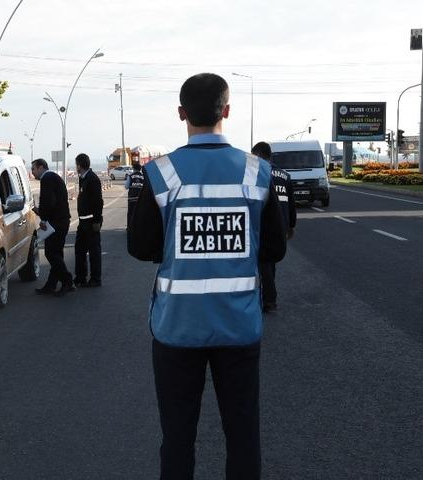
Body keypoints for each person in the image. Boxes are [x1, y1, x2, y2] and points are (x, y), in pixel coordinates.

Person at [128, 73, 287, 479]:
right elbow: (275, 250)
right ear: (227, 112)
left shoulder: (161, 174)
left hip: (177, 330)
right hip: (239, 328)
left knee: (178, 440)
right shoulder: (258, 173)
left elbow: (141, 247)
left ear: (181, 113)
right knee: (243, 437)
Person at [251, 141, 296, 313]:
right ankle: (268, 296)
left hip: (264, 224)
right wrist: (291, 225)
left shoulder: (258, 174)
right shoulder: (285, 175)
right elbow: (292, 203)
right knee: (271, 261)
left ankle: (269, 298)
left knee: (264, 261)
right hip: (282, 225)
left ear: (259, 155)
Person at [30, 158, 74, 297]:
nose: (32, 173)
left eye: (33, 169)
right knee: (57, 253)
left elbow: (48, 201)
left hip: (56, 223)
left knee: (51, 253)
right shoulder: (53, 177)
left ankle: (67, 281)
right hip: (61, 220)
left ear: (41, 167)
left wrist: (42, 216)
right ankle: (51, 284)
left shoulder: (47, 178)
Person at [74, 153, 104, 287]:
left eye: (76, 165)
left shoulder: (92, 179)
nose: (76, 168)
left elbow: (98, 202)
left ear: (79, 166)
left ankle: (95, 279)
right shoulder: (83, 178)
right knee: (79, 250)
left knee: (94, 252)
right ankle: (80, 277)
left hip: (92, 222)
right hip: (83, 222)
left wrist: (97, 221)